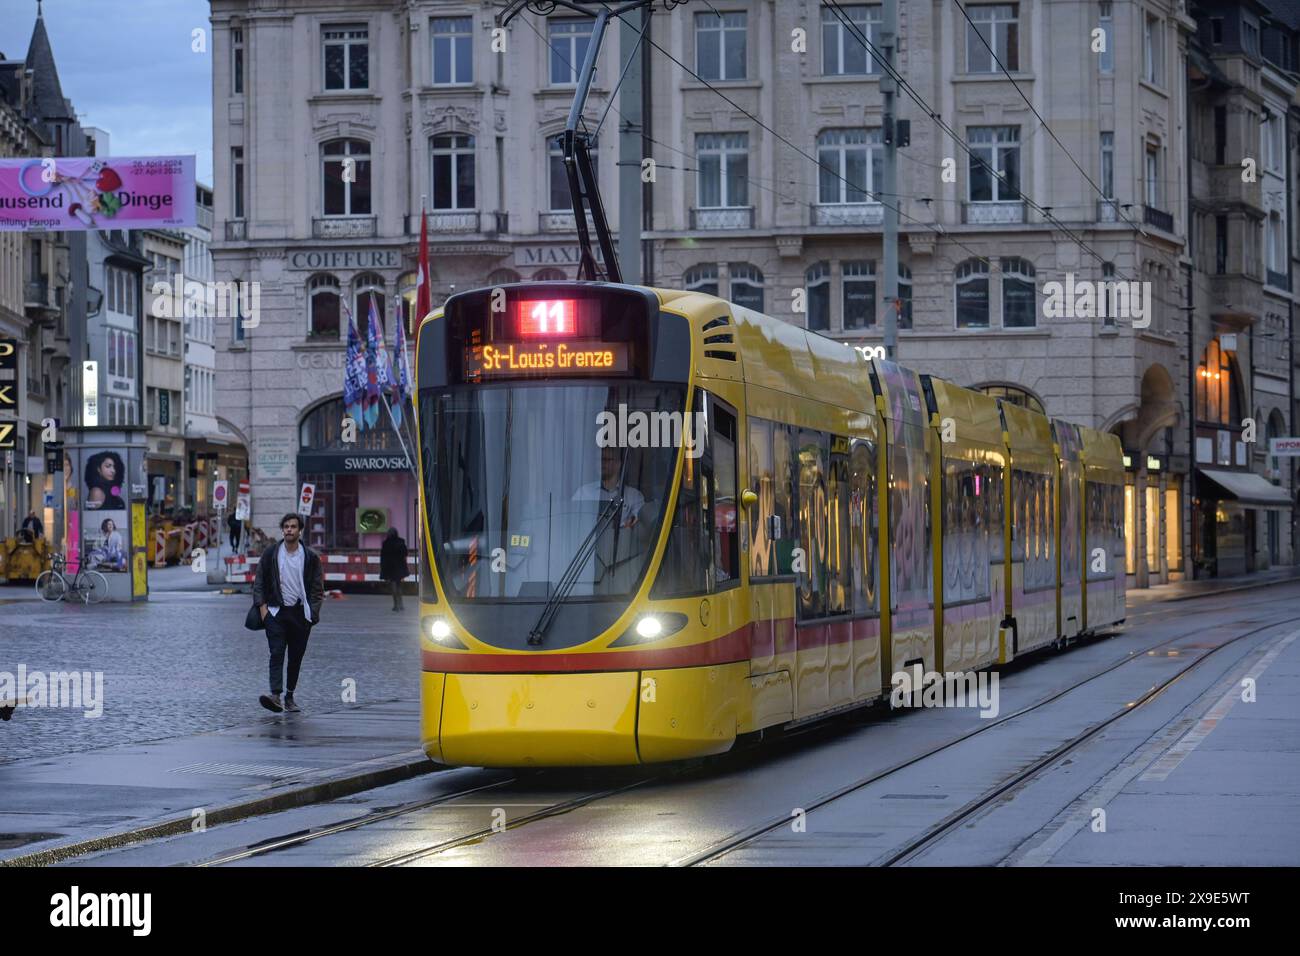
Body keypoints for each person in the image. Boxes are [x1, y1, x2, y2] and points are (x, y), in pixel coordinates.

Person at [252, 514, 324, 714]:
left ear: (299, 530)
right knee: (276, 652)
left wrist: (313, 615)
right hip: (276, 612)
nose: (289, 530)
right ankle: (275, 694)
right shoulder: (271, 553)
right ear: (282, 529)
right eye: (286, 526)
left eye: (293, 526)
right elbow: (259, 581)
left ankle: (289, 696)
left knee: (295, 657)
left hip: (301, 614)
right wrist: (263, 610)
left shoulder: (310, 557)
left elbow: (318, 589)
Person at [573, 445, 645, 528]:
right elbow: (573, 522)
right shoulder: (583, 492)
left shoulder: (634, 496)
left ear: (618, 464)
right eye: (598, 460)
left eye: (606, 460)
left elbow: (640, 527)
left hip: (621, 540)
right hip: (589, 540)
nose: (601, 463)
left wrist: (630, 525)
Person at [380, 527, 409, 612]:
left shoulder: (385, 543)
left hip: (390, 566)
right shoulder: (401, 541)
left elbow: (383, 556)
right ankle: (401, 604)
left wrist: (382, 568)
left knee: (393, 584)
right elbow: (405, 553)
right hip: (400, 566)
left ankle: (395, 605)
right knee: (399, 584)